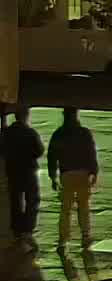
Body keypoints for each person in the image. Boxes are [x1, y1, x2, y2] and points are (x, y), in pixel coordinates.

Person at [46, 107, 97, 248]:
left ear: (64, 115)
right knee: (83, 207)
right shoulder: (84, 133)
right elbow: (91, 153)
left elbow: (52, 156)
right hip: (82, 173)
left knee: (65, 209)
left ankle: (63, 238)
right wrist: (94, 172)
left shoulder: (59, 134)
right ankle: (85, 236)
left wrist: (52, 177)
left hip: (66, 173)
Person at [3, 105, 43, 245]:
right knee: (32, 199)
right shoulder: (30, 132)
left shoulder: (7, 133)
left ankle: (17, 229)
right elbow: (39, 151)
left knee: (15, 199)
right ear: (26, 116)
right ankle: (28, 228)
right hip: (28, 170)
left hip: (13, 170)